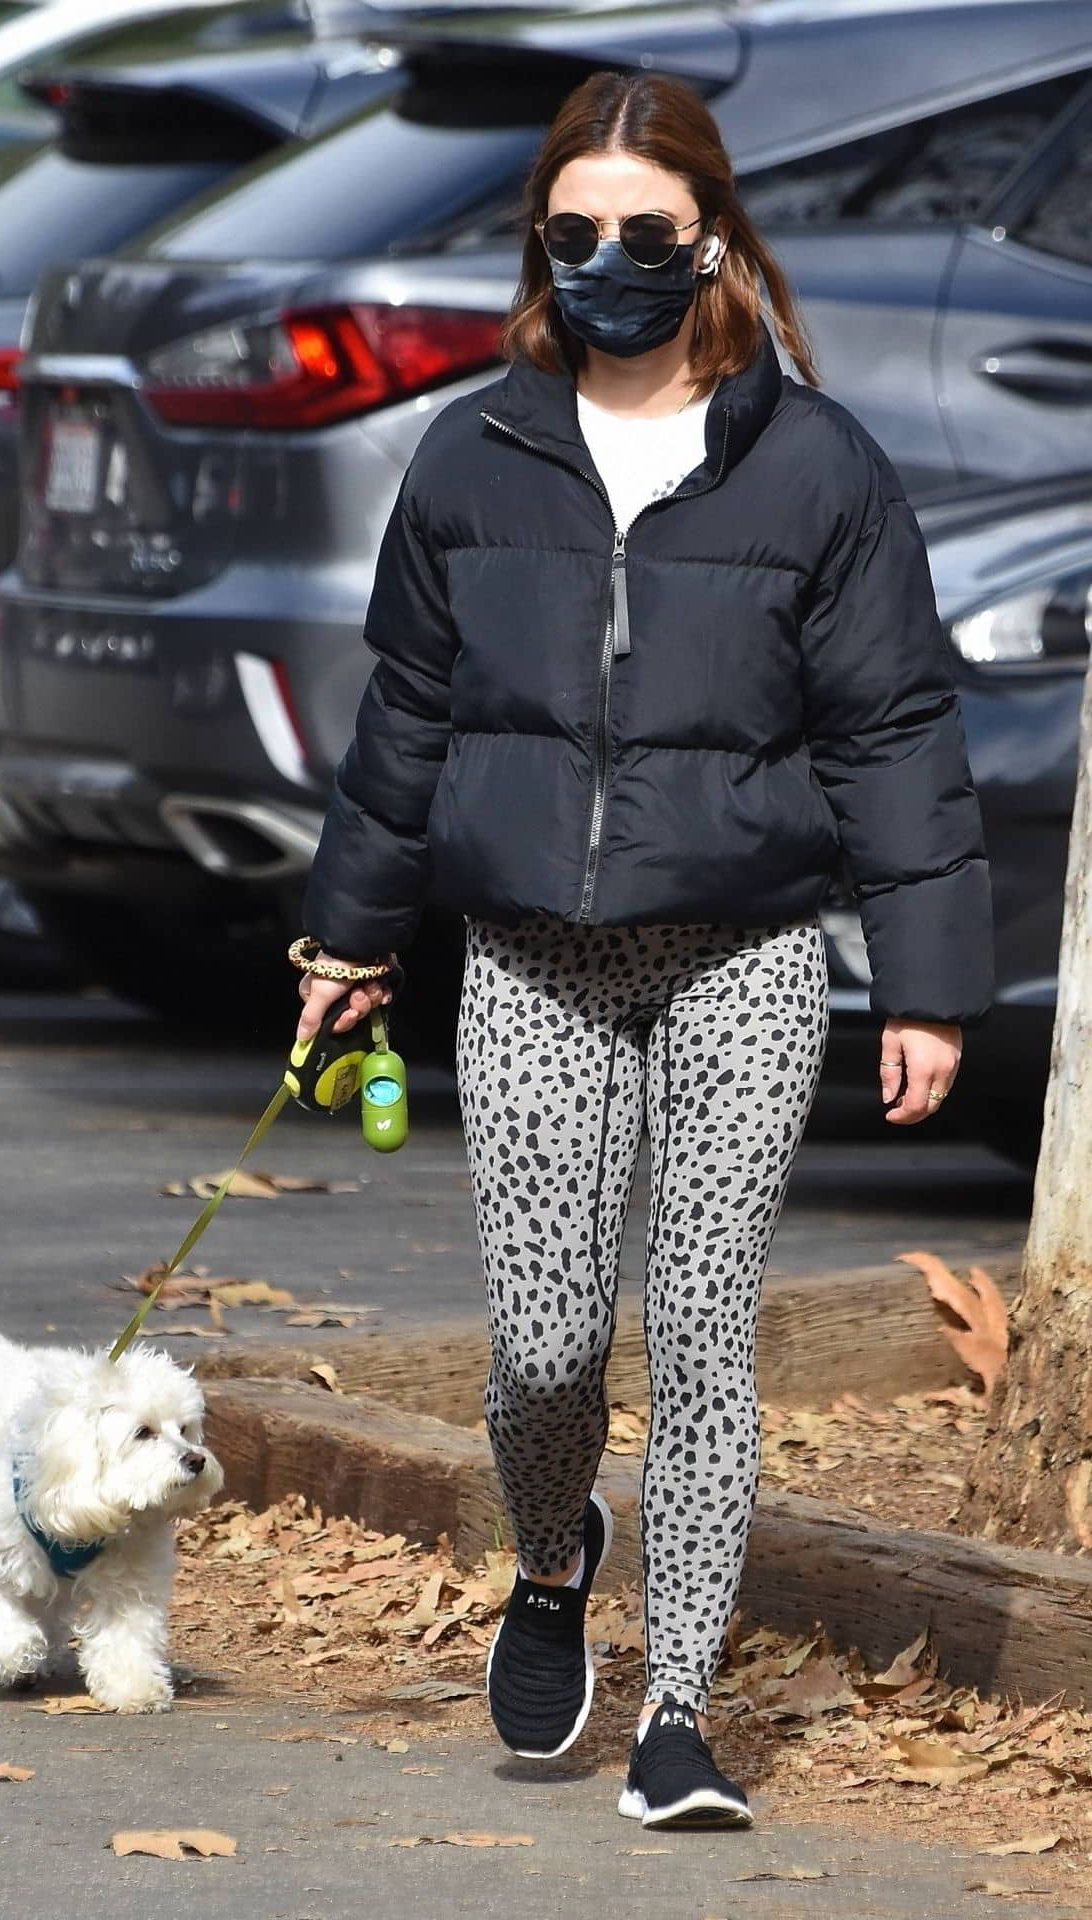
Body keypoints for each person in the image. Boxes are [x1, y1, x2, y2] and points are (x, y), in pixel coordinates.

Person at [292, 70, 993, 1831]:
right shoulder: (473, 451)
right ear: (544, 246)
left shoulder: (814, 460)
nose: (613, 261)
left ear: (713, 237)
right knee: (541, 1348)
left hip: (745, 950)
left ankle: (680, 1706)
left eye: (647, 232)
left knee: (698, 1322)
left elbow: (896, 731)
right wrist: (347, 939)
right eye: (576, 233)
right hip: (533, 953)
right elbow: (409, 717)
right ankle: (553, 1563)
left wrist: (925, 981)